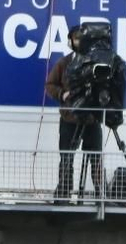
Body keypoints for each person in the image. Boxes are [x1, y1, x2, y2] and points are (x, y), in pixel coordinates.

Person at [45, 24, 107, 201]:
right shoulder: (64, 63)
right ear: (70, 41)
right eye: (77, 38)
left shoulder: (96, 64)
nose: (80, 42)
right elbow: (50, 85)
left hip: (92, 119)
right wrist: (62, 94)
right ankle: (64, 193)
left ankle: (100, 194)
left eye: (83, 38)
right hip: (69, 119)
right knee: (66, 158)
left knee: (96, 158)